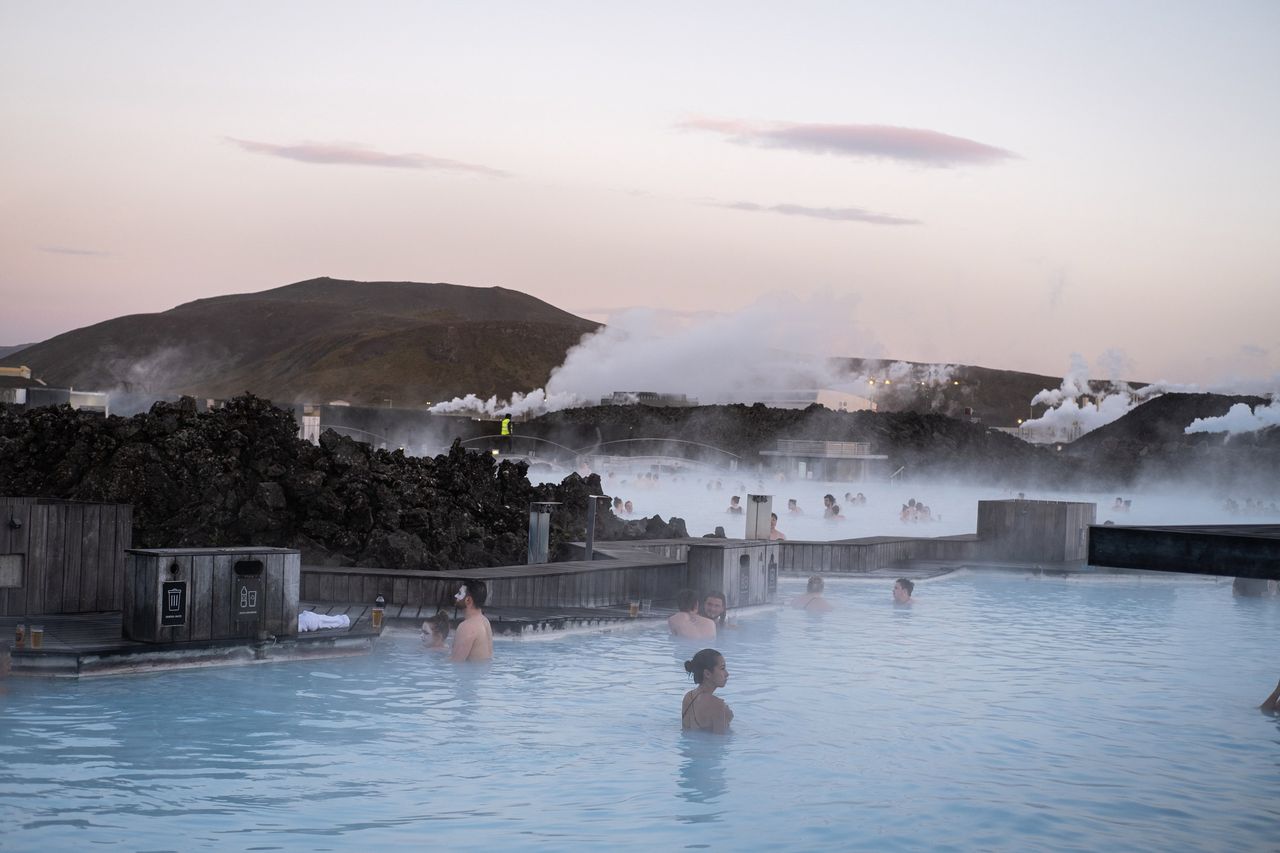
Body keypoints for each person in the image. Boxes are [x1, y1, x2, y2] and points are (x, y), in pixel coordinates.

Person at [682, 648, 733, 734]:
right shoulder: (718, 705)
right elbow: (720, 742)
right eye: (722, 668)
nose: (727, 674)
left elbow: (686, 731)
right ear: (707, 674)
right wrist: (727, 718)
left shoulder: (688, 697)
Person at [450, 580, 493, 662]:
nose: (456, 596)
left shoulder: (467, 626)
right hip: (481, 673)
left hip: (470, 673)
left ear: (468, 600)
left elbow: (455, 663)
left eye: (459, 593)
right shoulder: (484, 621)